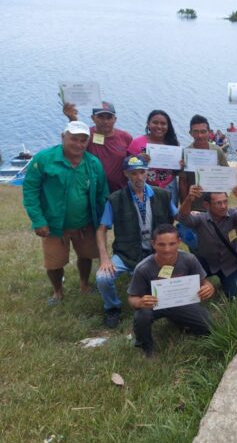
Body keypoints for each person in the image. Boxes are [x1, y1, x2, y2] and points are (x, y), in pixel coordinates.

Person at [22, 121, 108, 306]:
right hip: (53, 224)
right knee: (54, 262)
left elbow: (102, 193)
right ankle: (57, 292)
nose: (78, 144)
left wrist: (102, 221)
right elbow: (30, 189)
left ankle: (84, 284)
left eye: (83, 140)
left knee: (86, 255)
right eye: (73, 139)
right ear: (63, 137)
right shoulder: (44, 159)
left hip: (85, 223)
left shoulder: (93, 163)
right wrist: (38, 220)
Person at [95, 156, 177, 328]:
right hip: (126, 254)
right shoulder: (115, 199)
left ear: (147, 172)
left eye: (142, 172)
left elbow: (179, 217)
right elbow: (101, 229)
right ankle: (112, 308)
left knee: (172, 276)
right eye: (133, 173)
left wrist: (192, 214)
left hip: (157, 253)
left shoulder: (162, 194)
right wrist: (104, 258)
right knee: (102, 278)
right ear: (126, 174)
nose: (138, 177)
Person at [128, 224, 215, 358]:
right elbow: (132, 298)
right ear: (153, 244)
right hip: (154, 306)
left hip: (182, 302)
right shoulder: (143, 268)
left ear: (179, 242)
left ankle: (180, 321)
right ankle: (145, 345)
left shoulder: (189, 259)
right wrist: (140, 302)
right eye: (161, 244)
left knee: (209, 326)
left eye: (172, 244)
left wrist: (209, 288)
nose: (167, 249)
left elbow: (205, 282)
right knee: (142, 315)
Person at [178, 184, 237, 298]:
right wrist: (189, 199)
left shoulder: (233, 215)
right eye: (218, 203)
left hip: (230, 264)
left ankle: (229, 280)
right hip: (205, 263)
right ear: (206, 205)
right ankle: (204, 282)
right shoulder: (200, 219)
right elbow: (183, 218)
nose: (223, 206)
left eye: (225, 201)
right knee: (188, 291)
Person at [63, 100, 133, 192]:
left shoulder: (125, 137)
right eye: (101, 117)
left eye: (109, 117)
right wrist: (72, 119)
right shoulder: (86, 135)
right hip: (91, 190)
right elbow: (73, 143)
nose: (105, 121)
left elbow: (132, 162)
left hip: (119, 191)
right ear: (93, 118)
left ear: (115, 119)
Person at [127, 110, 181, 204]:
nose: (159, 126)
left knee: (169, 216)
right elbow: (126, 166)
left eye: (163, 123)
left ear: (168, 126)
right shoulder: (137, 143)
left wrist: (181, 166)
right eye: (155, 122)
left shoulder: (173, 144)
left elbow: (175, 171)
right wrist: (137, 158)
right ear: (148, 124)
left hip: (168, 186)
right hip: (143, 186)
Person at [178, 114, 229, 212]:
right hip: (195, 206)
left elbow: (226, 175)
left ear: (209, 132)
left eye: (203, 131)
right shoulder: (186, 153)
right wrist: (185, 205)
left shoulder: (217, 150)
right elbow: (183, 182)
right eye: (196, 132)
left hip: (215, 205)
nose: (200, 135)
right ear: (190, 133)